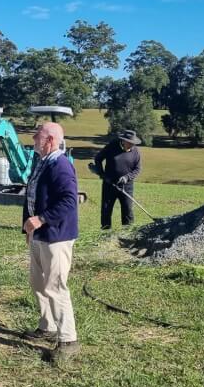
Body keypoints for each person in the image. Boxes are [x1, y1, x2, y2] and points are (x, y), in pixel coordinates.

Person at [22, 121, 79, 364]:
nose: (34, 139)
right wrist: (30, 225)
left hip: (56, 236)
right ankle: (47, 326)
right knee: (37, 282)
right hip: (40, 235)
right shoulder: (43, 162)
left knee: (55, 287)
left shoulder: (61, 165)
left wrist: (42, 219)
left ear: (51, 141)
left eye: (39, 136)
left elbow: (69, 201)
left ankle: (68, 340)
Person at [93, 129, 142, 230]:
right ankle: (105, 233)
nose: (132, 145)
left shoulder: (135, 151)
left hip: (126, 185)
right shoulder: (112, 146)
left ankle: (127, 233)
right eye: (130, 143)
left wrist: (127, 177)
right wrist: (102, 174)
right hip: (109, 184)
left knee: (127, 210)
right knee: (106, 210)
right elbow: (98, 158)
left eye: (133, 143)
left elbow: (137, 169)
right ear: (123, 141)